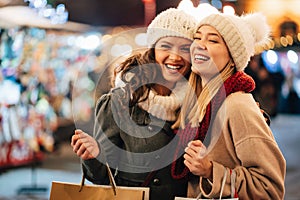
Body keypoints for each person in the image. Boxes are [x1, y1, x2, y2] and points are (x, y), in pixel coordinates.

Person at [71, 8, 197, 200]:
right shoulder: (120, 101)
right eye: (166, 46)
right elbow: (103, 179)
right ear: (153, 49)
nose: (175, 56)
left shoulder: (197, 101)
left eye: (185, 48)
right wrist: (93, 156)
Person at [171, 12, 286, 199]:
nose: (200, 44)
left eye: (213, 40)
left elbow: (269, 188)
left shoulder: (237, 105)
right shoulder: (197, 104)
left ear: (232, 58)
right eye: (197, 37)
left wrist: (210, 170)